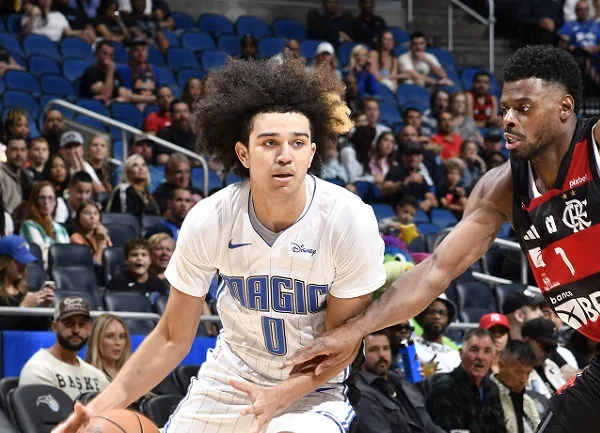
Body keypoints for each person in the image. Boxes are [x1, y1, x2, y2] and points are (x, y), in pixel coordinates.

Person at [283, 44, 600, 433]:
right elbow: (435, 271)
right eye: (505, 107)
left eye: (524, 107)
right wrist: (355, 331)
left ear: (564, 108)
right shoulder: (502, 189)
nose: (508, 119)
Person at [55, 55, 386, 433]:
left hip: (314, 387)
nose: (284, 155)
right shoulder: (210, 218)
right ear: (243, 153)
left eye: (298, 143)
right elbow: (169, 338)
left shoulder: (346, 219)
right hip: (231, 378)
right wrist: (91, 413)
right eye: (269, 142)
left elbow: (341, 345)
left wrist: (281, 395)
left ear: (312, 153)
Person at [19, 296, 110, 401]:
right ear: (54, 326)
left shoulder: (97, 376)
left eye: (82, 324)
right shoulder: (38, 369)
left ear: (89, 328)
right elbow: (47, 416)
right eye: (69, 323)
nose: (76, 330)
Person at [85, 313, 132, 381]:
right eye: (110, 336)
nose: (117, 343)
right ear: (97, 339)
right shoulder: (88, 375)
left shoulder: (133, 372)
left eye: (122, 336)